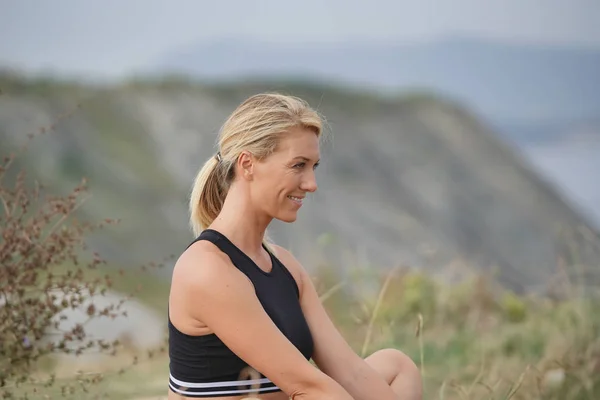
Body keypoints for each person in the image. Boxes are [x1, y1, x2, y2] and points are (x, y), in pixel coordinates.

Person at [167, 93, 423, 400]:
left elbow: (348, 371)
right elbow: (308, 387)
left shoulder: (285, 266)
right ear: (248, 164)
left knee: (397, 365)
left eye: (313, 166)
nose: (311, 183)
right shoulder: (207, 268)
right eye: (298, 165)